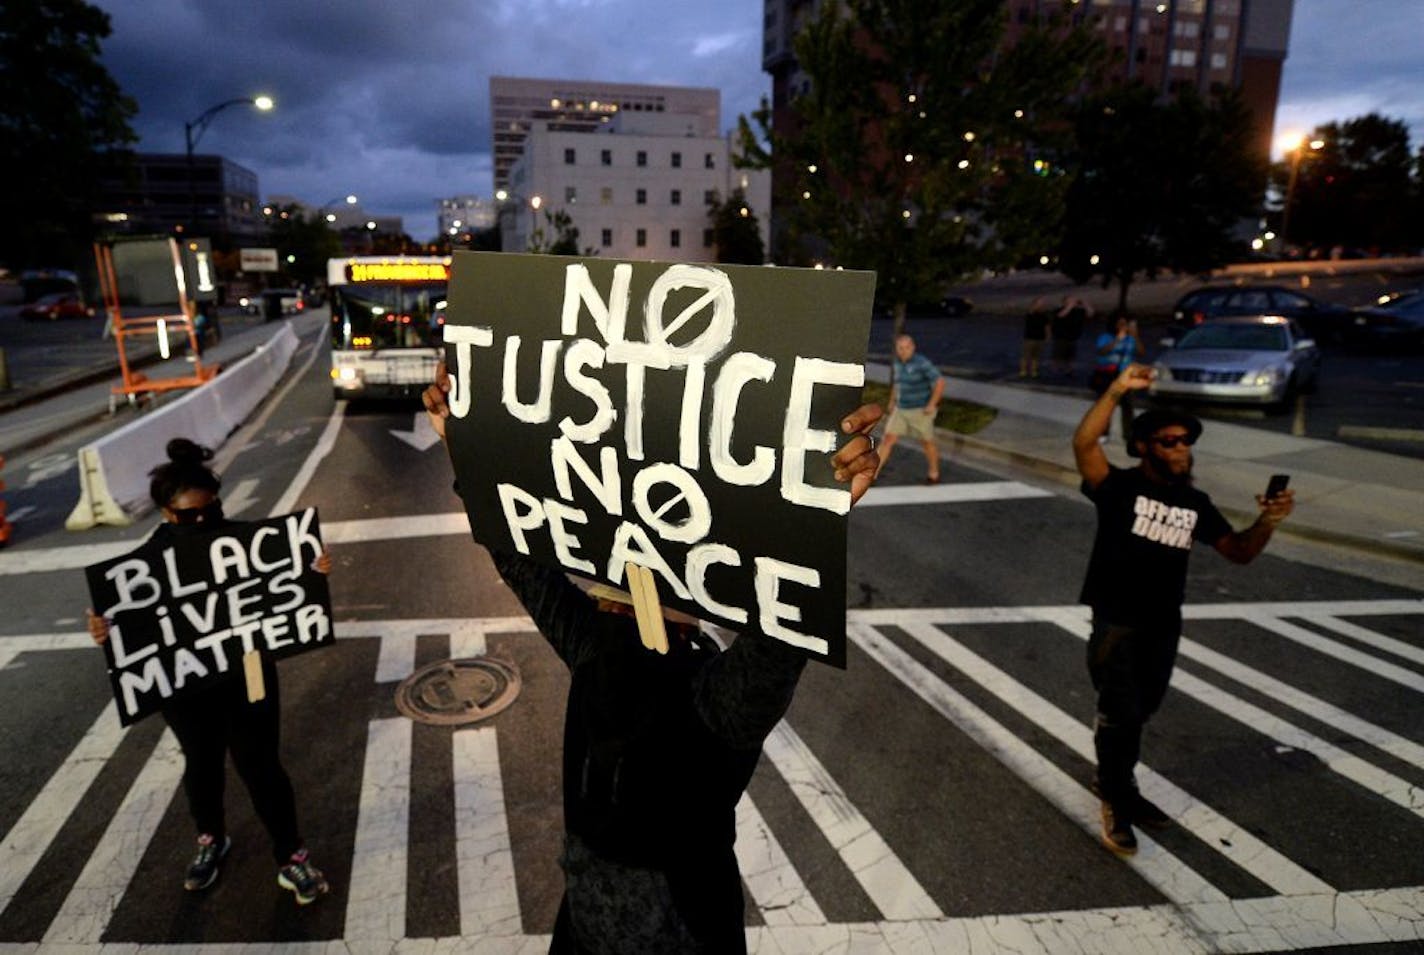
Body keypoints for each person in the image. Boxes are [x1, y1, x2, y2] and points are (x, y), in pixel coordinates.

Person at [422, 364, 884, 954]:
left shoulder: (711, 700)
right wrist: (467, 448)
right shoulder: (624, 661)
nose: (601, 585)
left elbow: (782, 633)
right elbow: (518, 556)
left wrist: (823, 504)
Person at [85, 439, 332, 905]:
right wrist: (104, 628)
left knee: (260, 766)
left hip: (249, 671)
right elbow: (125, 619)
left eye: (210, 511)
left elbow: (289, 578)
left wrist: (312, 568)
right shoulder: (142, 569)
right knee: (202, 764)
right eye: (189, 516)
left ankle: (291, 856)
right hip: (187, 684)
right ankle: (210, 838)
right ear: (164, 514)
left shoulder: (249, 544)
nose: (202, 522)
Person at [1071, 365, 1294, 856]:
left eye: (1185, 442)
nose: (1180, 449)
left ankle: (1121, 785)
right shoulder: (1120, 489)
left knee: (1142, 711)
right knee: (1121, 713)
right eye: (1169, 442)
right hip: (1117, 621)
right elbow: (1084, 445)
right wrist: (1114, 390)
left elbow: (1238, 550)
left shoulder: (1195, 502)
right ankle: (1115, 797)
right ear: (1146, 446)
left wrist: (1269, 520)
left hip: (1162, 623)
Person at [878, 333, 944, 484]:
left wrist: (932, 404)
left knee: (927, 442)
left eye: (907, 347)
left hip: (920, 410)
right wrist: (891, 402)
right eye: (900, 348)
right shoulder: (897, 363)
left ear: (913, 347)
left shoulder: (921, 363)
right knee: (888, 439)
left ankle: (934, 473)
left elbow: (940, 382)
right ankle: (873, 473)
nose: (904, 351)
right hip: (900, 410)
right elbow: (897, 384)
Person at [1089, 314, 1145, 438]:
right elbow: (1102, 351)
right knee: (1106, 405)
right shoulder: (1105, 337)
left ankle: (1129, 433)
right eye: (1121, 324)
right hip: (1107, 374)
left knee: (1128, 406)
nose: (1123, 327)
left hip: (1124, 376)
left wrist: (1135, 335)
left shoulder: (1131, 339)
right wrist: (1118, 339)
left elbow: (1141, 352)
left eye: (1125, 324)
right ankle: (1103, 431)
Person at [1050, 295, 1093, 377]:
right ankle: (1054, 371)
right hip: (1061, 337)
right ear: (1064, 302)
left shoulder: (1079, 311)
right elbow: (1061, 315)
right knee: (1057, 355)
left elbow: (1091, 313)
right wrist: (1070, 306)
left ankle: (1069, 371)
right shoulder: (1058, 310)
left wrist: (1085, 304)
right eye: (1069, 300)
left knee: (1071, 356)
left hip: (1073, 337)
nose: (1073, 302)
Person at [1020, 297, 1053, 378]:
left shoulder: (1045, 315)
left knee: (1036, 356)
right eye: (1040, 303)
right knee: (1026, 355)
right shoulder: (1030, 313)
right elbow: (1031, 310)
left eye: (1042, 303)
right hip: (1030, 338)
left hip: (1040, 338)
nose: (1042, 305)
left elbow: (1047, 326)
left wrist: (1048, 336)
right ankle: (1023, 371)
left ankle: (1034, 371)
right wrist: (1036, 304)